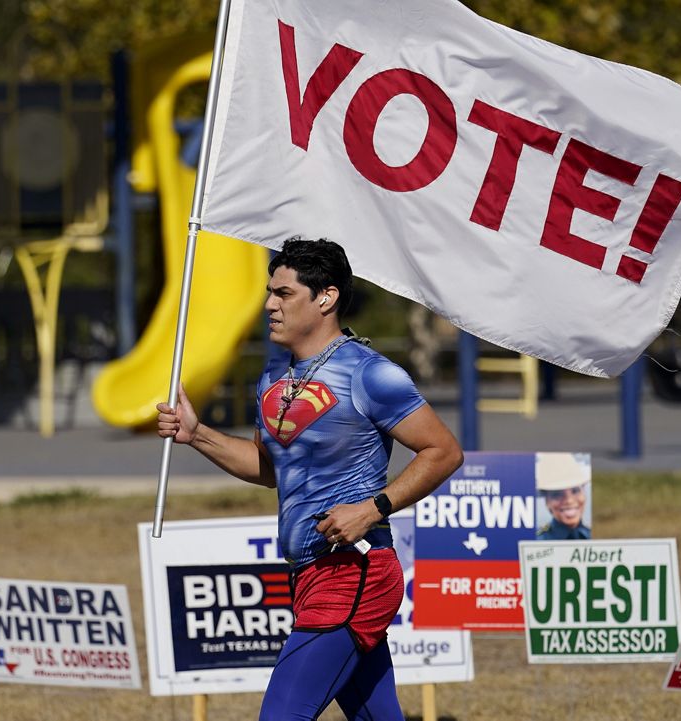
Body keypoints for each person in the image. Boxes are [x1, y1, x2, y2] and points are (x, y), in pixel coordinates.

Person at [156, 238, 463, 721]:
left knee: (281, 716)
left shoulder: (371, 374)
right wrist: (197, 436)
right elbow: (270, 469)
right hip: (306, 577)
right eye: (269, 293)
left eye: (284, 294)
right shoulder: (273, 379)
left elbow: (443, 451)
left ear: (326, 297)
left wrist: (371, 509)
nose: (269, 305)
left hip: (353, 573)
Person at [535, 452, 591, 540]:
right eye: (557, 494)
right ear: (547, 502)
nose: (569, 500)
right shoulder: (536, 542)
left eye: (575, 491)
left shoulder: (593, 536)